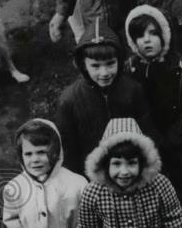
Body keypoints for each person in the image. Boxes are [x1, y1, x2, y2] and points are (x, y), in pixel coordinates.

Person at [124, 5, 182, 219]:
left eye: (153, 33)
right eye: (140, 36)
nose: (147, 40)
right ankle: (152, 215)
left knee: (175, 171)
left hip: (173, 135)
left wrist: (177, 137)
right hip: (143, 137)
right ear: (133, 41)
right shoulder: (130, 69)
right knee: (146, 175)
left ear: (166, 34)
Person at [55, 19, 156, 176]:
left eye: (110, 63)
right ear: (83, 64)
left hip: (128, 171)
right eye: (95, 66)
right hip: (91, 175)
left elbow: (148, 133)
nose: (104, 73)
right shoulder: (69, 100)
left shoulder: (133, 90)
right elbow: (68, 151)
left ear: (119, 61)